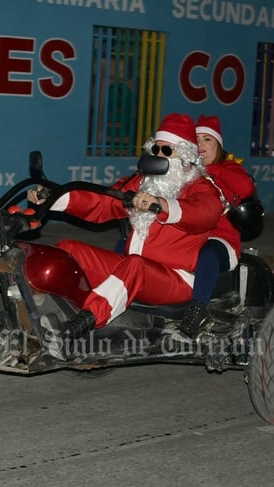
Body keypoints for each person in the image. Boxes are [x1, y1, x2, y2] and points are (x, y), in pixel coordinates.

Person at [27, 113, 224, 354]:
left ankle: (81, 325)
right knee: (69, 249)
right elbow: (102, 202)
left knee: (135, 266)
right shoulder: (142, 183)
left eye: (166, 151)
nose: (158, 156)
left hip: (176, 279)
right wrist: (54, 196)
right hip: (136, 269)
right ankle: (45, 310)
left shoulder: (201, 187)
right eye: (155, 149)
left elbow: (204, 213)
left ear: (186, 157)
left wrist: (161, 205)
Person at [179, 115, 255, 337]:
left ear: (218, 145)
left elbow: (246, 188)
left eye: (207, 139)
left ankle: (197, 310)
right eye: (196, 140)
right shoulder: (183, 171)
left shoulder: (229, 168)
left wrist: (211, 170)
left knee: (209, 253)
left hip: (220, 242)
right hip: (185, 239)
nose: (201, 145)